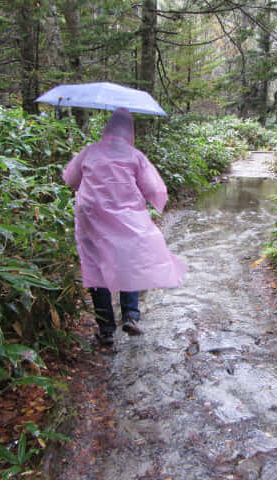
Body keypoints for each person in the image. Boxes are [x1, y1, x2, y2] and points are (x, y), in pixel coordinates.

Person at [62, 108, 187, 345]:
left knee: (97, 266)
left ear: (107, 128)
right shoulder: (134, 156)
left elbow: (71, 179)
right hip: (127, 219)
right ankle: (130, 315)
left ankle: (106, 330)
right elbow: (154, 189)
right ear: (129, 131)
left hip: (91, 218)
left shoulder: (89, 152)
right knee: (128, 263)